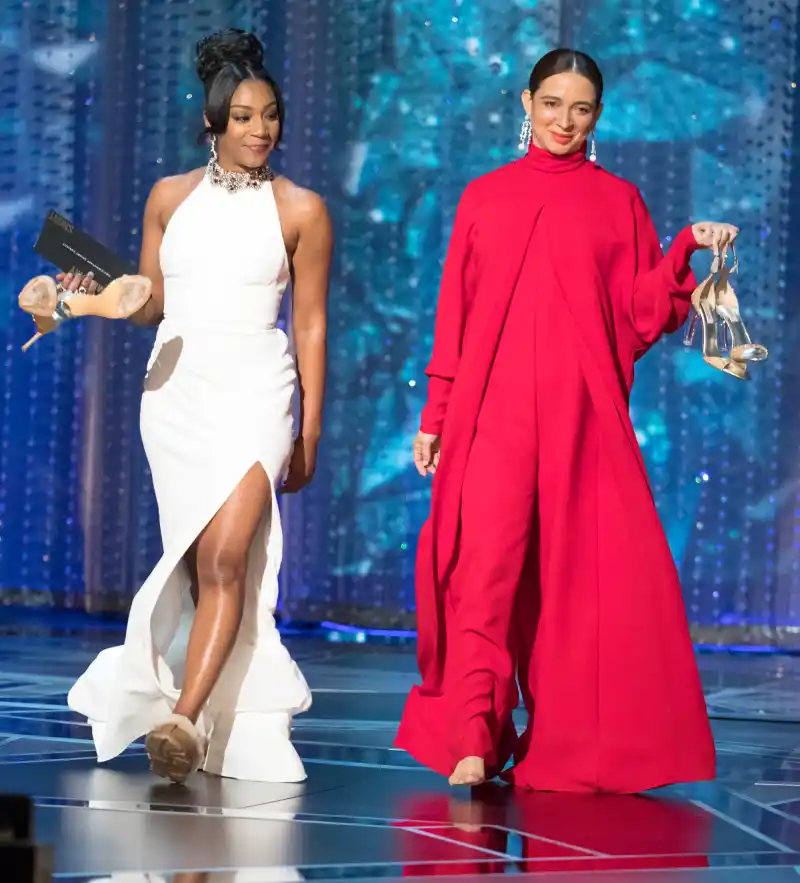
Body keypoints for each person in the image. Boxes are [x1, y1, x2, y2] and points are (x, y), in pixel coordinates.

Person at [395, 48, 746, 792]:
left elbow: (642, 312)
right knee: (481, 571)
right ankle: (471, 734)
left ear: (598, 116)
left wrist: (683, 246)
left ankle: (570, 744)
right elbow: (452, 317)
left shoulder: (617, 200)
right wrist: (436, 415)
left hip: (581, 419)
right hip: (490, 417)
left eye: (580, 108)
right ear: (526, 103)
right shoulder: (484, 197)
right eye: (551, 103)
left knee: (577, 585)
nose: (564, 120)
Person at [61, 29, 332, 784]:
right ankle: (201, 702)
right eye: (244, 116)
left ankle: (183, 719)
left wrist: (309, 427)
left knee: (225, 557)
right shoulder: (168, 198)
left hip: (257, 386)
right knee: (194, 569)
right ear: (212, 123)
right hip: (176, 393)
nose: (260, 129)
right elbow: (149, 306)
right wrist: (92, 297)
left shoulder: (301, 209)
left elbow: (308, 322)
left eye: (270, 114)